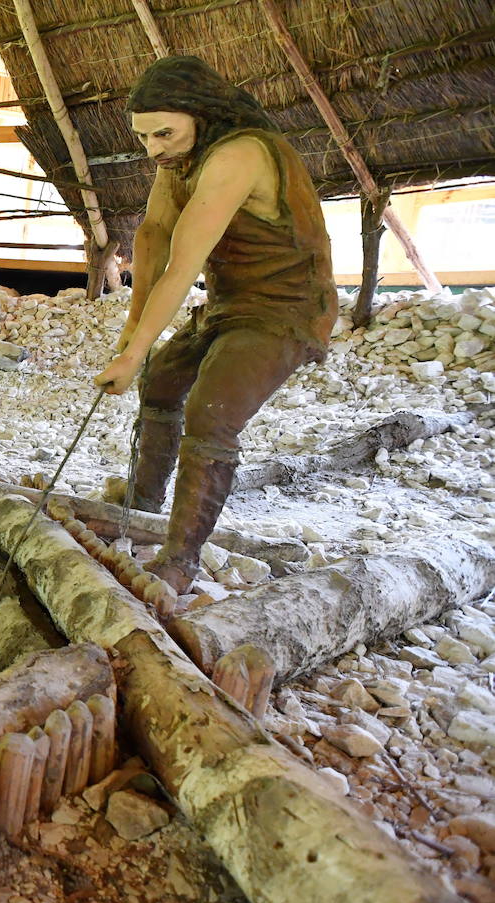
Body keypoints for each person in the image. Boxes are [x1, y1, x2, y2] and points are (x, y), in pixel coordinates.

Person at [93, 56, 338, 593]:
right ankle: (143, 506)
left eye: (164, 133)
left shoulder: (240, 154)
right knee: (161, 382)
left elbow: (183, 265)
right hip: (231, 302)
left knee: (212, 411)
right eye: (143, 136)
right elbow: (156, 233)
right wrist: (134, 336)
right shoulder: (179, 160)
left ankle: (180, 559)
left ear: (201, 116)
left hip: (286, 308)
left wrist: (132, 355)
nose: (153, 148)